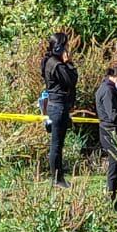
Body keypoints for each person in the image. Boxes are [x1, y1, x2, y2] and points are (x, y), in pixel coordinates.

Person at [40, 32, 79, 188]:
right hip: (58, 106)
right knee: (56, 145)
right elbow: (72, 80)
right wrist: (69, 63)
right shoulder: (56, 64)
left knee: (57, 144)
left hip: (56, 105)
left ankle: (58, 177)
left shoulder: (49, 61)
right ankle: (57, 179)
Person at [94, 63, 117, 206]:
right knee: (115, 168)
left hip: (113, 132)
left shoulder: (107, 88)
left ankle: (114, 198)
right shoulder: (108, 91)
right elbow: (113, 115)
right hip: (112, 133)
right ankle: (112, 200)